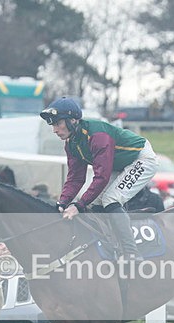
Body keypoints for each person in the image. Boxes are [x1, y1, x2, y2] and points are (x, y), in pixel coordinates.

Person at [40, 97, 159, 260]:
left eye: (58, 123)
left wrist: (78, 205)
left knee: (110, 198)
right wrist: (62, 202)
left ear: (73, 120)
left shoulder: (97, 136)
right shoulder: (71, 143)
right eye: (52, 125)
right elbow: (75, 178)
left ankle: (131, 251)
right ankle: (109, 243)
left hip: (141, 158)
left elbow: (101, 177)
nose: (54, 130)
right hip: (120, 165)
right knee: (95, 202)